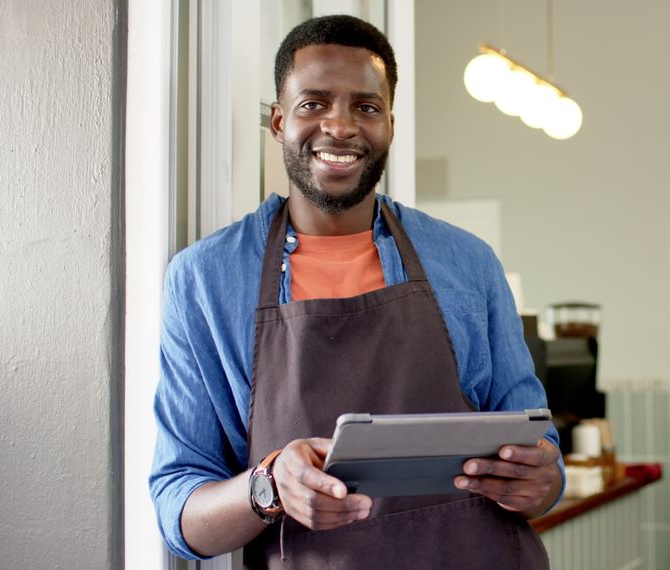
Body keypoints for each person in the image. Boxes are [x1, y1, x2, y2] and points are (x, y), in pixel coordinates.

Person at [149, 15, 562, 569]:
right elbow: (179, 512)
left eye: (365, 107)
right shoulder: (204, 280)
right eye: (313, 103)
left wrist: (541, 479)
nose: (339, 126)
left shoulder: (468, 263)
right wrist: (268, 484)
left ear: (390, 124)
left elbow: (541, 452)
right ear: (277, 122)